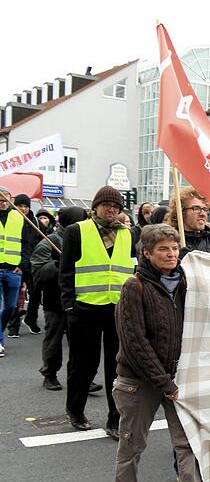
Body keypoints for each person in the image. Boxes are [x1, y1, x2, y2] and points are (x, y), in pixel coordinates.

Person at [113, 224, 210, 482]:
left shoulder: (186, 285)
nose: (171, 254)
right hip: (139, 382)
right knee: (132, 443)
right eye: (163, 249)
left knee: (188, 444)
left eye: (174, 248)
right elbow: (135, 342)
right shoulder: (134, 287)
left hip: (177, 379)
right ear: (147, 253)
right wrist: (165, 383)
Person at [59, 185, 137, 435]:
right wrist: (69, 305)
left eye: (116, 207)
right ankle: (75, 410)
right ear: (95, 207)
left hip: (118, 309)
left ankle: (115, 419)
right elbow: (66, 271)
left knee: (117, 368)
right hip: (84, 309)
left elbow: (133, 270)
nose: (111, 210)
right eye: (106, 205)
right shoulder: (76, 231)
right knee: (83, 365)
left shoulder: (128, 234)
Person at [31, 206, 86, 389]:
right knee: (53, 340)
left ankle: (82, 376)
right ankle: (50, 373)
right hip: (55, 299)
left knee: (79, 342)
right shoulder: (50, 241)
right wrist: (59, 263)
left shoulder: (84, 240)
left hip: (78, 297)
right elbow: (38, 271)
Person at [0, 189, 35, 357]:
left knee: (10, 307)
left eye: (6, 200)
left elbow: (28, 244)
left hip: (14, 270)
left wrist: (22, 264)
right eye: (0, 200)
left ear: (10, 200)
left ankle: (1, 330)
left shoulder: (18, 217)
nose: (3, 203)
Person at [164, 188, 210, 259]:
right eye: (196, 208)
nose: (203, 214)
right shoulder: (167, 240)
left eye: (205, 209)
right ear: (181, 212)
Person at [22, 208, 56, 335]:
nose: (43, 220)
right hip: (36, 265)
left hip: (49, 266)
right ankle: (30, 319)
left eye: (45, 218)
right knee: (34, 294)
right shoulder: (33, 229)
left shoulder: (53, 232)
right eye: (40, 218)